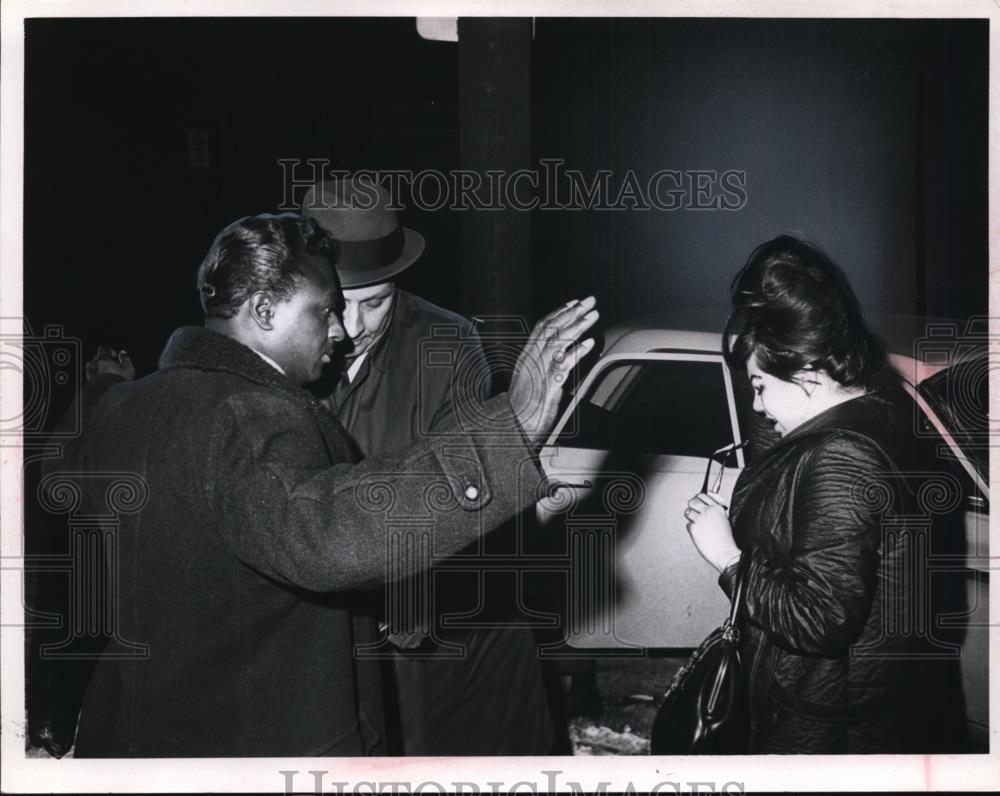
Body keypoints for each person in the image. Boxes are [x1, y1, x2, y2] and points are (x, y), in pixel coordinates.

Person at [46, 212, 598, 757]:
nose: (342, 330)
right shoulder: (251, 415)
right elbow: (327, 531)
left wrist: (99, 389)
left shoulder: (126, 405)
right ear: (264, 310)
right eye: (327, 311)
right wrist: (510, 430)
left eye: (362, 306)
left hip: (131, 740)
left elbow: (57, 476)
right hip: (251, 749)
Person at [301, 178, 555, 755]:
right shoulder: (280, 342)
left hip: (432, 609)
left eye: (377, 302)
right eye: (340, 305)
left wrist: (418, 590)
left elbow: (466, 483)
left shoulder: (448, 341)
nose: (356, 328)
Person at [683, 234, 959, 753]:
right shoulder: (874, 411)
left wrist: (724, 554)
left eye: (760, 386)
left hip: (828, 721)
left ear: (809, 372)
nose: (758, 405)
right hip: (851, 702)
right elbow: (779, 459)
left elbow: (818, 620)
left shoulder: (840, 457)